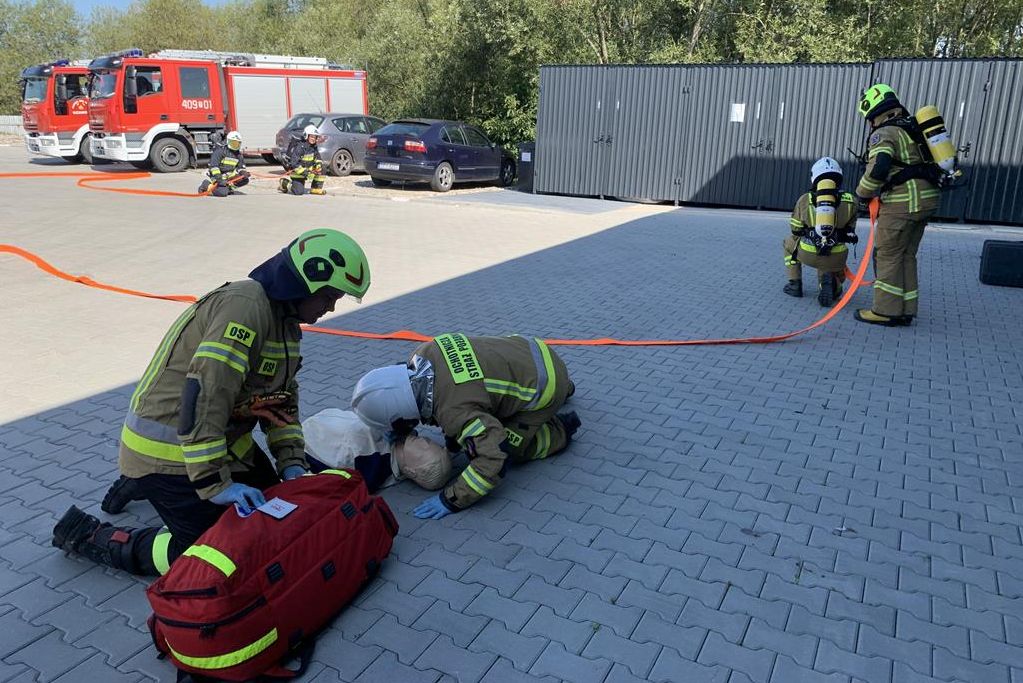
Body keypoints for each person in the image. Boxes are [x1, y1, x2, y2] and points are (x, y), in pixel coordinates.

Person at [53, 229, 372, 575]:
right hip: (170, 455)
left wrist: (292, 464)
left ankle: (144, 484)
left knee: (276, 522)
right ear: (304, 283)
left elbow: (281, 403)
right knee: (212, 555)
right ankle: (94, 536)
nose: (330, 307)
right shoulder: (245, 306)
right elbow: (207, 395)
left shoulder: (286, 325)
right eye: (328, 296)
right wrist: (215, 485)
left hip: (219, 445)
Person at [351, 333, 581, 519]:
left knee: (511, 447)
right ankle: (565, 387)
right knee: (490, 396)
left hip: (545, 384)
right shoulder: (424, 353)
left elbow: (493, 457)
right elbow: (457, 396)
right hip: (529, 351)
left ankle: (560, 429)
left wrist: (451, 499)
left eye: (398, 424)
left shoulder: (453, 409)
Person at [853, 84, 940, 326]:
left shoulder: (885, 133)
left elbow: (879, 166)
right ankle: (906, 309)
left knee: (887, 256)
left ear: (875, 113)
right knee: (907, 256)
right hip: (925, 202)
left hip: (902, 204)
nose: (870, 124)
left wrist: (862, 194)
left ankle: (885, 311)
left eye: (870, 119)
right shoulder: (912, 128)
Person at [783, 157, 859, 307]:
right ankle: (832, 285)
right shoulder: (851, 200)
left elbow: (795, 229)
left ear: (815, 177)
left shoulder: (805, 199)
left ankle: (794, 284)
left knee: (788, 243)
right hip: (837, 256)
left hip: (808, 253)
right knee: (828, 268)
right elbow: (850, 231)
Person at [198, 130, 250, 197]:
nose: (235, 145)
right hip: (216, 176)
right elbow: (214, 167)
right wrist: (219, 180)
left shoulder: (238, 155)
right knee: (222, 193)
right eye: (233, 143)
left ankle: (228, 189)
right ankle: (206, 185)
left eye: (237, 143)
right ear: (228, 141)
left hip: (228, 177)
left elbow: (240, 167)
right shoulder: (220, 151)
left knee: (244, 180)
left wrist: (243, 173)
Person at [279, 125, 326, 196]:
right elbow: (294, 164)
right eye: (312, 137)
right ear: (306, 136)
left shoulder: (314, 147)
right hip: (297, 173)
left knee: (322, 168)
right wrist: (305, 172)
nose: (313, 139)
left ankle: (315, 188)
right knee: (298, 192)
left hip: (307, 171)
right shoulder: (300, 147)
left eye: (315, 137)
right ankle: (284, 183)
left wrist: (318, 165)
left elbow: (318, 157)